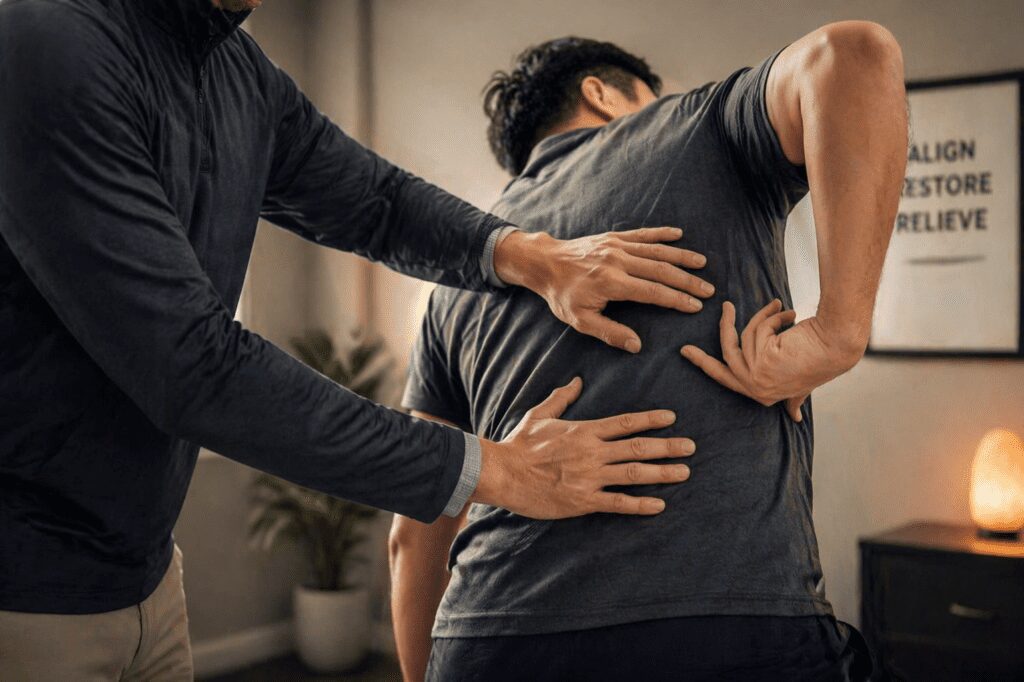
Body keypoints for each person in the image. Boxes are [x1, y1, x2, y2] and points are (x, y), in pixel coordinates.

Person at [0, 1, 714, 679]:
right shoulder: (44, 42)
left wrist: (528, 256)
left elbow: (378, 202)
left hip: (149, 575)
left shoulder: (239, 74)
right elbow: (194, 367)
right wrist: (500, 471)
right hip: (25, 597)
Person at [391, 24, 907, 682]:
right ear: (602, 94)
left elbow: (413, 532)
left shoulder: (456, 281)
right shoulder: (691, 127)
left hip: (487, 641)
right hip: (723, 633)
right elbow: (855, 54)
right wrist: (836, 331)